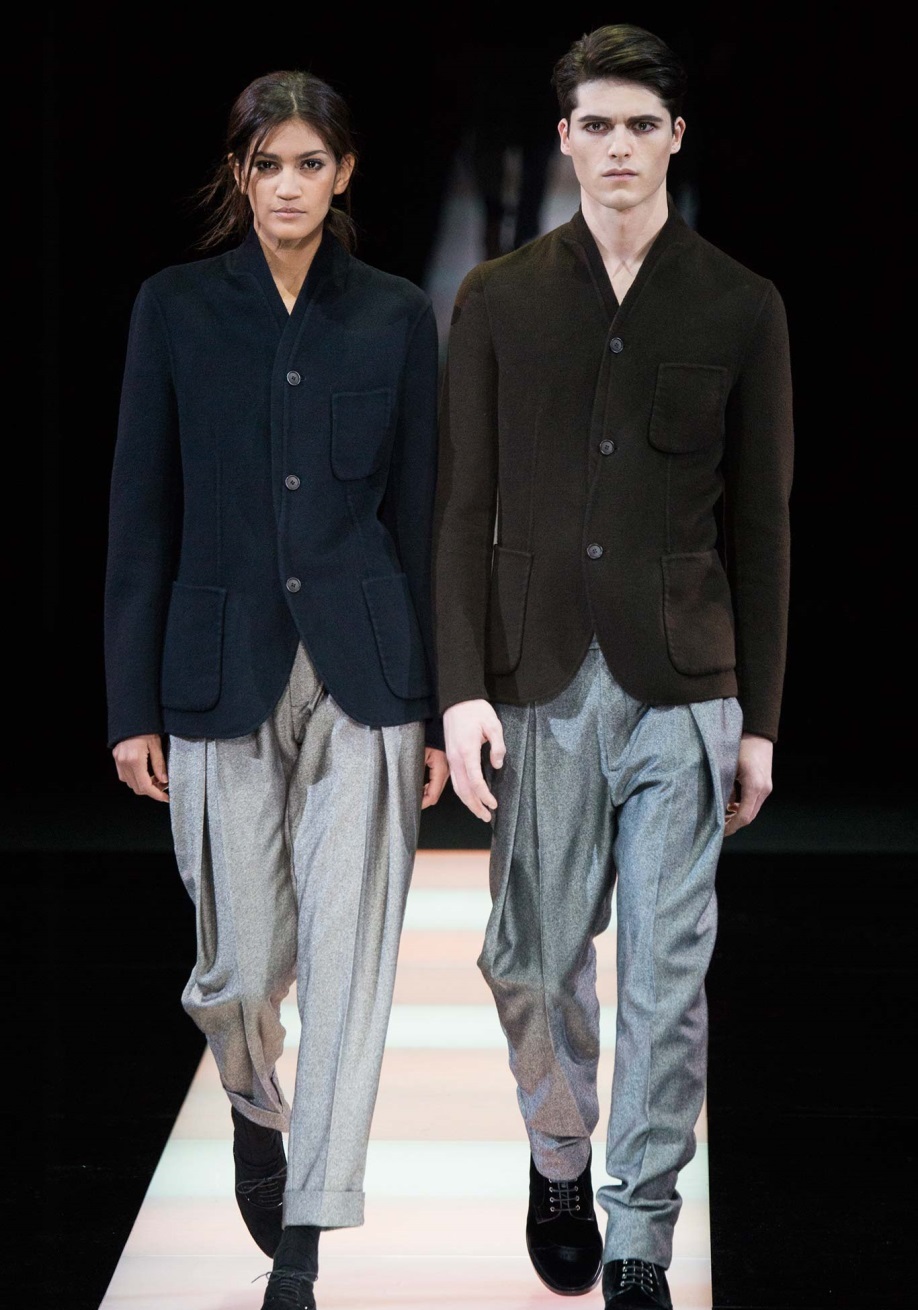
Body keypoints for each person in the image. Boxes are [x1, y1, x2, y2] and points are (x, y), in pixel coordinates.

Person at [433, 24, 792, 1310]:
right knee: (529, 962)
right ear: (566, 138)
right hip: (538, 681)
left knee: (665, 975)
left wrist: (760, 719)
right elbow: (460, 503)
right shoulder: (499, 298)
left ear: (676, 138)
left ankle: (641, 1233)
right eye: (598, 124)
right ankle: (559, 1151)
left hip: (687, 687)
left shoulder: (740, 303)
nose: (620, 145)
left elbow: (763, 525)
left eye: (643, 124)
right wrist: (460, 686)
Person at [105, 69, 448, 1310]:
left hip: (368, 672)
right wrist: (129, 704)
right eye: (268, 164)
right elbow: (140, 509)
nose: (289, 185)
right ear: (238, 174)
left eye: (311, 163)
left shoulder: (395, 314)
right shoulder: (176, 307)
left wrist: (439, 701)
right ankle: (257, 1104)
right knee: (240, 969)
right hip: (218, 664)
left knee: (349, 964)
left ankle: (302, 1238)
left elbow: (424, 511)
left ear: (343, 173)